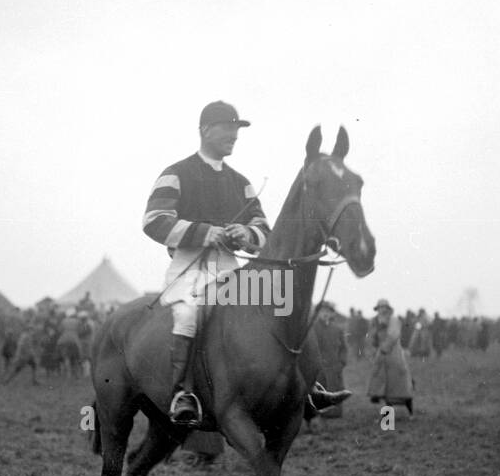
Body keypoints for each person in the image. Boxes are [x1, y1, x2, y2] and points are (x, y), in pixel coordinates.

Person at [142, 99, 347, 426]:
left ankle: (306, 386)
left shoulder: (242, 182)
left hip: (231, 268)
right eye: (228, 128)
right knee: (188, 312)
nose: (234, 136)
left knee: (283, 302)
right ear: (206, 130)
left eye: (237, 130)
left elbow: (265, 230)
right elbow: (154, 220)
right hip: (189, 267)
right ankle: (183, 392)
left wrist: (246, 234)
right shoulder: (176, 173)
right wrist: (206, 232)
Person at [367, 299, 414, 414]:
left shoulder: (394, 320)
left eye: (384, 307)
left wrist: (384, 348)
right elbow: (372, 337)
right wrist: (373, 348)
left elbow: (393, 335)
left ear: (388, 309)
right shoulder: (375, 322)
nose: (382, 310)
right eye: (379, 308)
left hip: (394, 354)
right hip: (381, 357)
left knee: (400, 385)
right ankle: (387, 416)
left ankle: (410, 412)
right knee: (384, 387)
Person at [312, 303, 349, 419]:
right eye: (322, 311)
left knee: (336, 387)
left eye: (328, 311)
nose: (325, 314)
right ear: (318, 313)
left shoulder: (337, 329)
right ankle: (319, 413)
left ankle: (335, 413)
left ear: (332, 313)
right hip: (319, 366)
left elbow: (344, 348)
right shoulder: (313, 328)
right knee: (320, 390)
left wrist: (342, 362)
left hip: (334, 365)